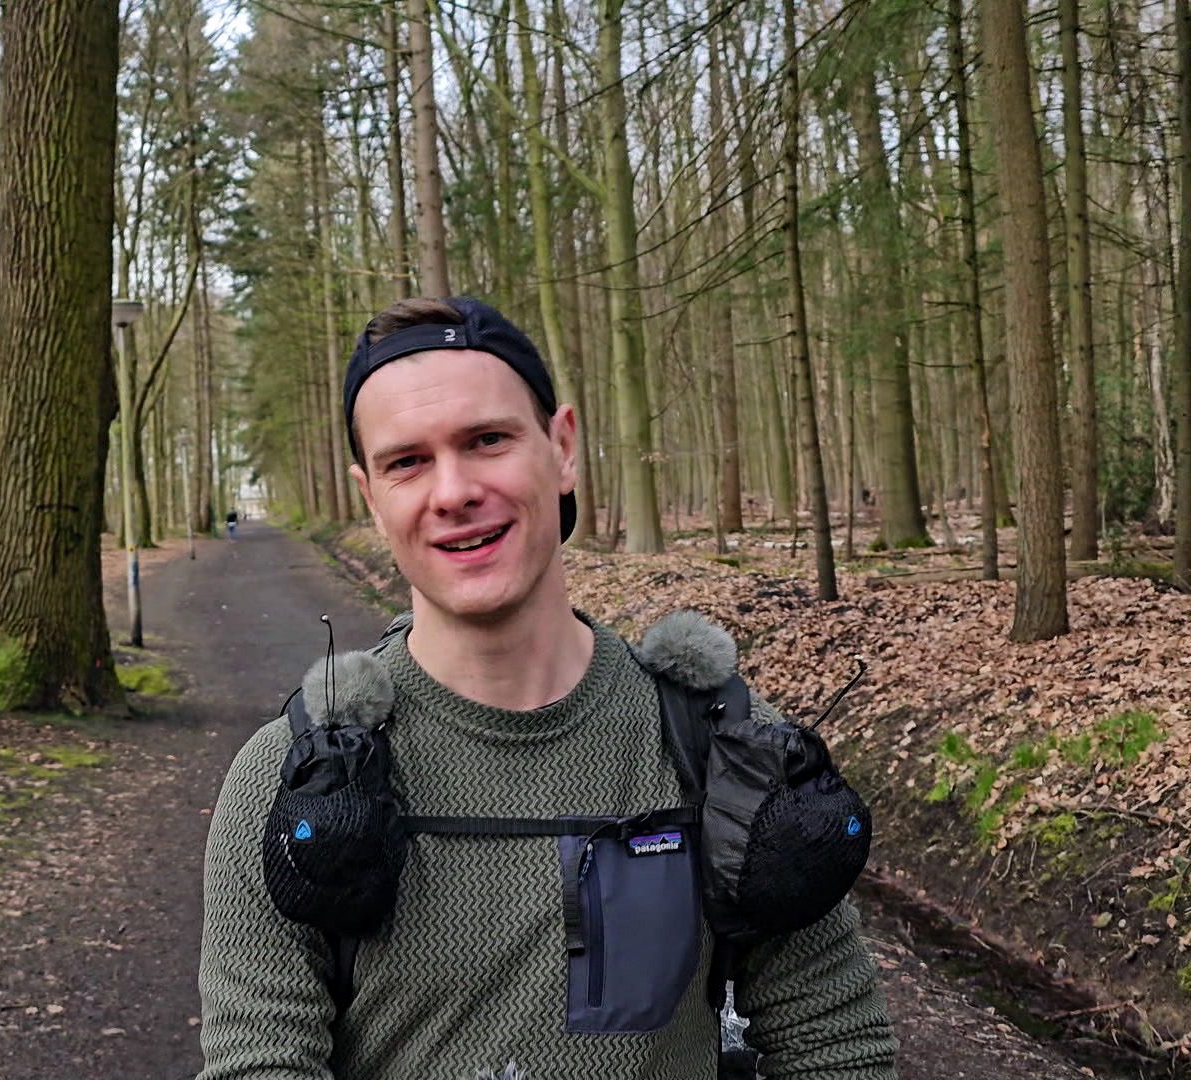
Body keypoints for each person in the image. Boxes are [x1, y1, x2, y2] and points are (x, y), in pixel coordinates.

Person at [196, 297, 897, 1079]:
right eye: (407, 461)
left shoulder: (727, 748)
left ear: (562, 448)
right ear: (371, 497)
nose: (453, 490)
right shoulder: (289, 780)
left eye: (487, 440)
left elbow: (837, 1043)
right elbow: (260, 1062)